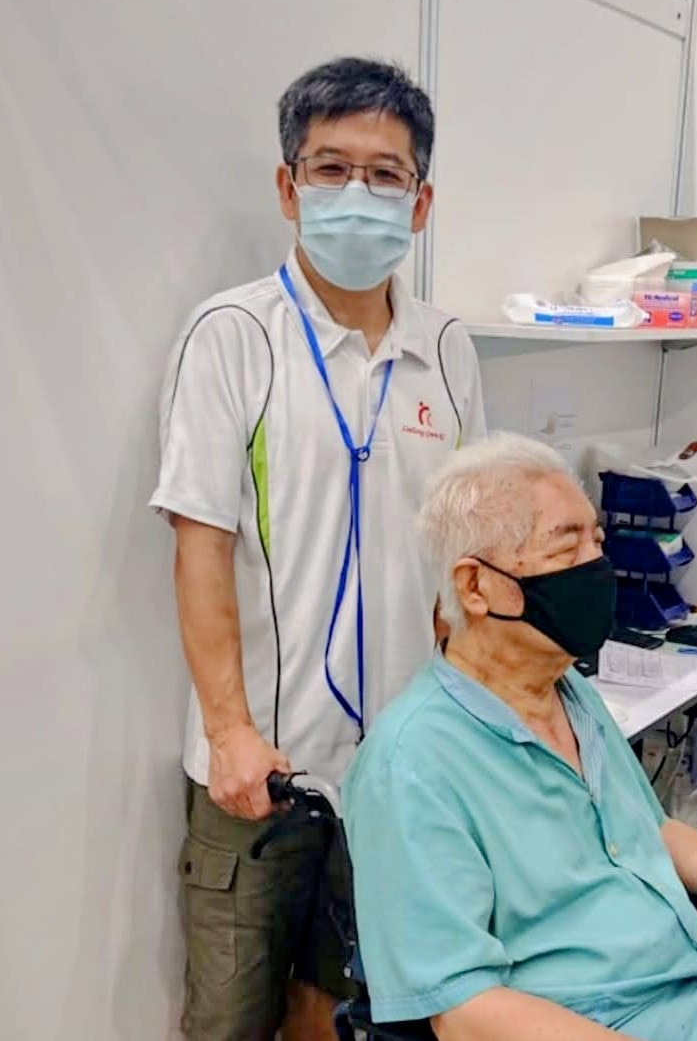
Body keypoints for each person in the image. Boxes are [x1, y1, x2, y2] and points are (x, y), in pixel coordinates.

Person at [343, 433, 697, 1041]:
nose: (597, 567)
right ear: (476, 587)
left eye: (597, 541)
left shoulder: (568, 692)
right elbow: (464, 1011)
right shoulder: (411, 764)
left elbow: (648, 830)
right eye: (567, 549)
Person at [150, 57, 485, 1041]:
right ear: (288, 187)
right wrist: (229, 734)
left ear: (420, 203)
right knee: (229, 1022)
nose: (357, 193)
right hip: (260, 773)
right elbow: (200, 547)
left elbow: (461, 556)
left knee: (351, 1015)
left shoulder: (446, 350)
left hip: (398, 772)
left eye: (385, 174)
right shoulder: (233, 336)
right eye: (331, 167)